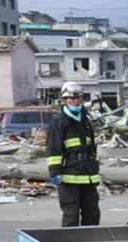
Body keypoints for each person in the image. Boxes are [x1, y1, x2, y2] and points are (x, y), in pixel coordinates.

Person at [47, 81, 100, 228]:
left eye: (78, 98)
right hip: (68, 174)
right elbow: (53, 149)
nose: (75, 101)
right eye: (71, 98)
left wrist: (95, 168)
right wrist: (54, 171)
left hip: (88, 174)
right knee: (71, 214)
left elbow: (91, 147)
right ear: (64, 100)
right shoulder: (58, 121)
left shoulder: (85, 120)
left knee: (92, 212)